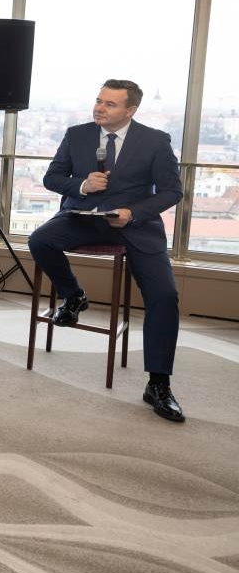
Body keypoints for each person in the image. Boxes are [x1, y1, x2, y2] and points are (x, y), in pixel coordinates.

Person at [28, 79, 185, 422]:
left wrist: (133, 213)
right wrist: (82, 185)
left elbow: (172, 191)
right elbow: (53, 178)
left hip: (135, 224)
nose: (99, 108)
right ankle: (74, 296)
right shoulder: (77, 134)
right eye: (99, 101)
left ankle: (158, 384)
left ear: (130, 110)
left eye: (110, 104)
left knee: (164, 295)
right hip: (84, 217)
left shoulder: (155, 141)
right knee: (40, 240)